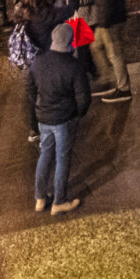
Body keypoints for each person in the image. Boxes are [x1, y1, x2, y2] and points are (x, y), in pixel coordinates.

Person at [25, 21, 91, 215]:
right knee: (62, 158)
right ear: (71, 42)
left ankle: (40, 197)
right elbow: (83, 97)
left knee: (45, 154)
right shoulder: (74, 66)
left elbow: (29, 89)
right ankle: (59, 201)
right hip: (64, 119)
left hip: (43, 117)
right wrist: (78, 113)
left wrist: (38, 107)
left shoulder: (38, 61)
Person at [87, 0, 131, 102]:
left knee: (115, 54)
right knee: (96, 46)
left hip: (109, 20)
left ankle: (123, 88)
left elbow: (105, 1)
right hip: (114, 17)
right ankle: (107, 79)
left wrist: (103, 23)